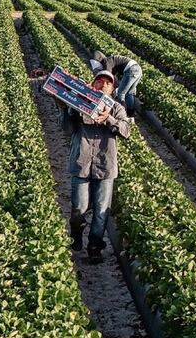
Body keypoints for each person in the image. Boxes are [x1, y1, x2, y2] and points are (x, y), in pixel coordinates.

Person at [58, 70, 132, 262]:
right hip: (81, 163)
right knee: (78, 209)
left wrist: (108, 118)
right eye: (99, 81)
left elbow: (125, 131)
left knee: (101, 211)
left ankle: (94, 247)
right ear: (92, 85)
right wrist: (68, 109)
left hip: (105, 166)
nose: (103, 84)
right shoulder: (80, 105)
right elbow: (67, 129)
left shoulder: (117, 108)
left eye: (107, 83)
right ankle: (76, 234)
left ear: (113, 89)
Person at [90, 50, 142, 115]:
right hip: (137, 69)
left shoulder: (107, 62)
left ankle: (123, 113)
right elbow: (114, 78)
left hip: (131, 70)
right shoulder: (111, 61)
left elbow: (108, 77)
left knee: (121, 94)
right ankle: (131, 112)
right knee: (129, 93)